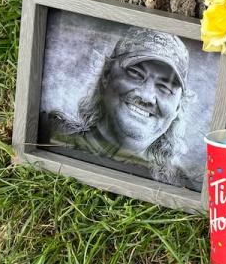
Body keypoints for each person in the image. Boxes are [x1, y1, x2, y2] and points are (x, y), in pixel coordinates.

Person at [40, 27, 196, 188]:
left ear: (178, 107)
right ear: (106, 74)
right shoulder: (48, 133)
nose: (147, 97)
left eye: (165, 88)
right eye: (135, 73)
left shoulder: (181, 186)